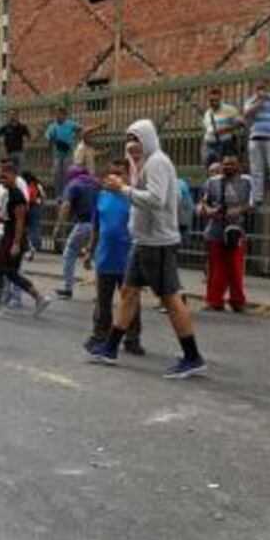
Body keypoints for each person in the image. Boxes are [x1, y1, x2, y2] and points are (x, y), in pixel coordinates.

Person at [90, 120, 207, 379]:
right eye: (128, 139)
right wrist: (124, 186)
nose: (131, 145)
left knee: (170, 299)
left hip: (157, 243)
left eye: (136, 139)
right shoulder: (145, 163)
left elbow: (156, 200)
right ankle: (109, 348)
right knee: (129, 292)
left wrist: (123, 189)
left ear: (148, 139)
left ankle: (192, 356)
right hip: (142, 241)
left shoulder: (157, 163)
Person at [83, 159, 142, 354]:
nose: (115, 177)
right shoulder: (101, 196)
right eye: (111, 173)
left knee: (131, 300)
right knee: (103, 302)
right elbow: (96, 227)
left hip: (129, 260)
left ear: (128, 175)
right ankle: (99, 336)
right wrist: (89, 251)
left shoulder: (134, 197)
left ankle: (132, 339)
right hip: (105, 258)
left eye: (120, 173)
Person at [0, 163, 52, 318]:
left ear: (14, 176)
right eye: (0, 177)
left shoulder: (16, 195)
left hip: (12, 238)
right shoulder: (8, 193)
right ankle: (40, 298)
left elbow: (20, 222)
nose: (2, 180)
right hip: (11, 235)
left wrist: (16, 243)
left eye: (5, 177)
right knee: (11, 273)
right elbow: (8, 219)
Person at [199, 154, 253, 311]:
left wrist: (237, 210)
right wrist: (210, 211)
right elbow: (203, 203)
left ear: (239, 165)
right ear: (221, 166)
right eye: (226, 164)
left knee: (236, 268)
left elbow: (251, 203)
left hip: (236, 229)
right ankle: (214, 301)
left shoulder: (246, 181)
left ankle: (237, 302)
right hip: (215, 229)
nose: (228, 167)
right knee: (215, 268)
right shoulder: (212, 182)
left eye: (232, 164)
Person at [52, 164, 100, 299]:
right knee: (97, 257)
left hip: (83, 224)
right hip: (99, 226)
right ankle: (101, 293)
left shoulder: (73, 184)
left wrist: (58, 226)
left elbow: (66, 206)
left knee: (69, 253)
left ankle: (68, 288)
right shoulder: (96, 183)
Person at [44, 107, 82, 196]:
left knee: (67, 174)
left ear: (64, 115)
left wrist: (74, 136)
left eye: (59, 114)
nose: (57, 116)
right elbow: (49, 140)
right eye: (56, 114)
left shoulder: (70, 124)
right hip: (57, 155)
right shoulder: (52, 126)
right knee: (57, 174)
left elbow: (80, 128)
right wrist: (49, 155)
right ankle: (58, 195)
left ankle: (68, 194)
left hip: (68, 153)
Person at [201, 87, 242, 167]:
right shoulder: (207, 113)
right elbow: (206, 129)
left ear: (220, 98)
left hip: (223, 144)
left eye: (216, 100)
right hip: (208, 144)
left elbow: (241, 123)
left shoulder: (229, 109)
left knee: (223, 166)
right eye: (211, 101)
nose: (213, 103)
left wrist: (225, 130)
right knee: (209, 167)